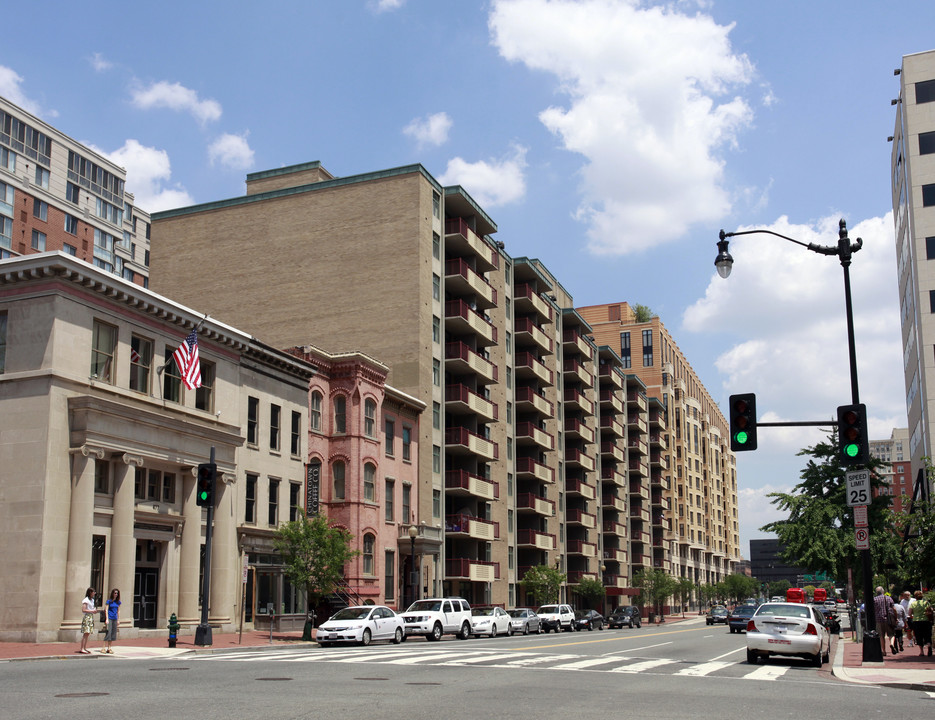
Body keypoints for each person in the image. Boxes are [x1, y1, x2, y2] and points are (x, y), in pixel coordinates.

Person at [909, 590, 933, 657]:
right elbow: (930, 610)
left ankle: (921, 651)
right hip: (926, 621)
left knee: (919, 636)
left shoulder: (913, 604)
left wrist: (914, 615)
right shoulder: (926, 603)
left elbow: (909, 613)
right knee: (927, 635)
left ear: (915, 596)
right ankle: (929, 645)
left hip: (916, 621)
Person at [872, 586, 895, 657]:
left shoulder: (874, 599)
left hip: (879, 619)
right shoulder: (888, 598)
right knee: (891, 634)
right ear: (883, 591)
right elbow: (893, 608)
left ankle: (884, 651)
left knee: (881, 636)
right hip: (888, 619)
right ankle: (891, 643)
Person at [101, 588, 121, 654]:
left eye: (117, 593)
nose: (116, 594)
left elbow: (118, 611)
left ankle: (109, 648)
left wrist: (118, 619)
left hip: (115, 618)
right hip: (109, 617)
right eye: (115, 593)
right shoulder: (109, 601)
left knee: (113, 633)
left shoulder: (118, 602)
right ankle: (103, 647)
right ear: (112, 593)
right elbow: (106, 610)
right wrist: (106, 619)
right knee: (108, 632)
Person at [79, 587, 96, 654]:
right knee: (85, 633)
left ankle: (85, 647)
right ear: (90, 593)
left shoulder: (92, 600)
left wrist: (94, 610)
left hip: (91, 616)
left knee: (88, 633)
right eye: (93, 592)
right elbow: (84, 610)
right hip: (87, 617)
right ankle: (82, 648)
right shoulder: (86, 600)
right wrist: (92, 611)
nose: (94, 593)